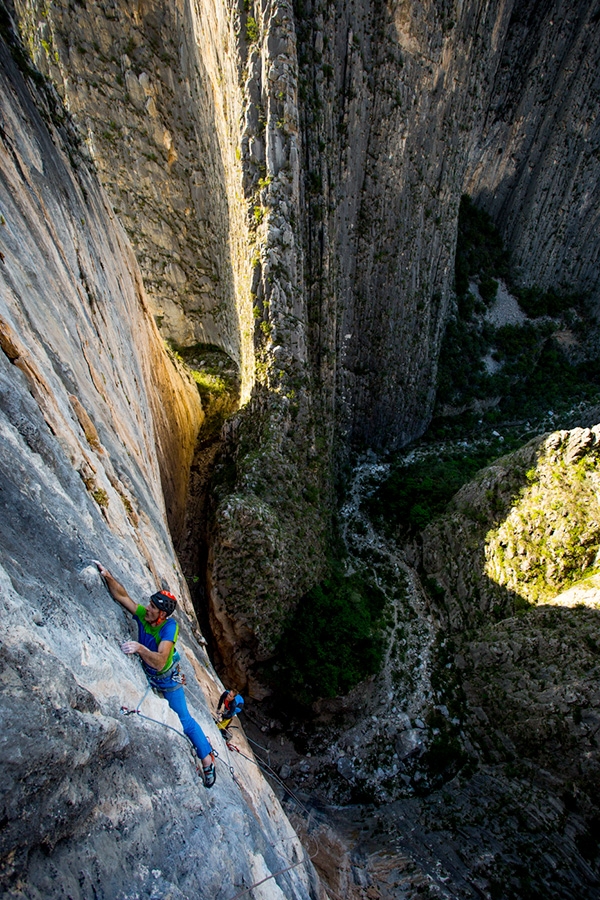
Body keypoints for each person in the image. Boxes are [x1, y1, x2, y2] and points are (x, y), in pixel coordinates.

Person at [94, 562, 216, 788]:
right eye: (149, 604)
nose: (147, 608)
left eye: (152, 607)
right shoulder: (145, 616)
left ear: (162, 614)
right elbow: (123, 597)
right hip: (154, 674)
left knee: (185, 721)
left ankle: (207, 759)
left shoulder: (168, 628)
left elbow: (160, 661)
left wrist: (140, 649)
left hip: (167, 680)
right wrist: (107, 575)